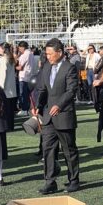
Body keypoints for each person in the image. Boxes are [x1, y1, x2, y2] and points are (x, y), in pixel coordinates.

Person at [33, 39, 84, 194]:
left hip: (64, 115)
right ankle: (50, 181)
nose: (47, 56)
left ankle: (73, 180)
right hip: (48, 116)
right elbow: (42, 90)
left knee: (69, 149)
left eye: (50, 53)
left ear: (59, 52)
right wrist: (38, 107)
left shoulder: (70, 68)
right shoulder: (46, 67)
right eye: (46, 53)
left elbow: (71, 90)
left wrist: (59, 105)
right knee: (47, 149)